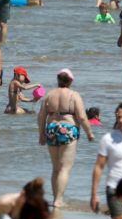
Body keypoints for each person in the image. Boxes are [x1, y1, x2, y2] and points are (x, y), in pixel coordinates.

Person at [37, 68, 93, 209]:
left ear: (58, 79)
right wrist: (89, 133)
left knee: (55, 168)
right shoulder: (74, 95)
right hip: (68, 129)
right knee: (65, 168)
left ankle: (55, 198)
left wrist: (41, 134)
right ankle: (58, 200)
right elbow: (81, 116)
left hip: (51, 129)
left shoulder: (49, 95)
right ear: (71, 81)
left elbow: (41, 116)